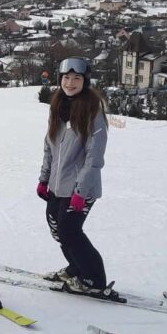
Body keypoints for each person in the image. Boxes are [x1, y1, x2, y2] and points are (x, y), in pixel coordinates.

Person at [37, 57, 118, 300]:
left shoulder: (93, 113)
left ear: (85, 81)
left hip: (80, 187)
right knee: (58, 229)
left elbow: (94, 158)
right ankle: (76, 268)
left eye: (76, 78)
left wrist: (80, 192)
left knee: (70, 231)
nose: (70, 83)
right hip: (57, 184)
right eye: (66, 78)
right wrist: (44, 179)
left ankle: (93, 279)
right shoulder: (58, 107)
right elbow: (49, 146)